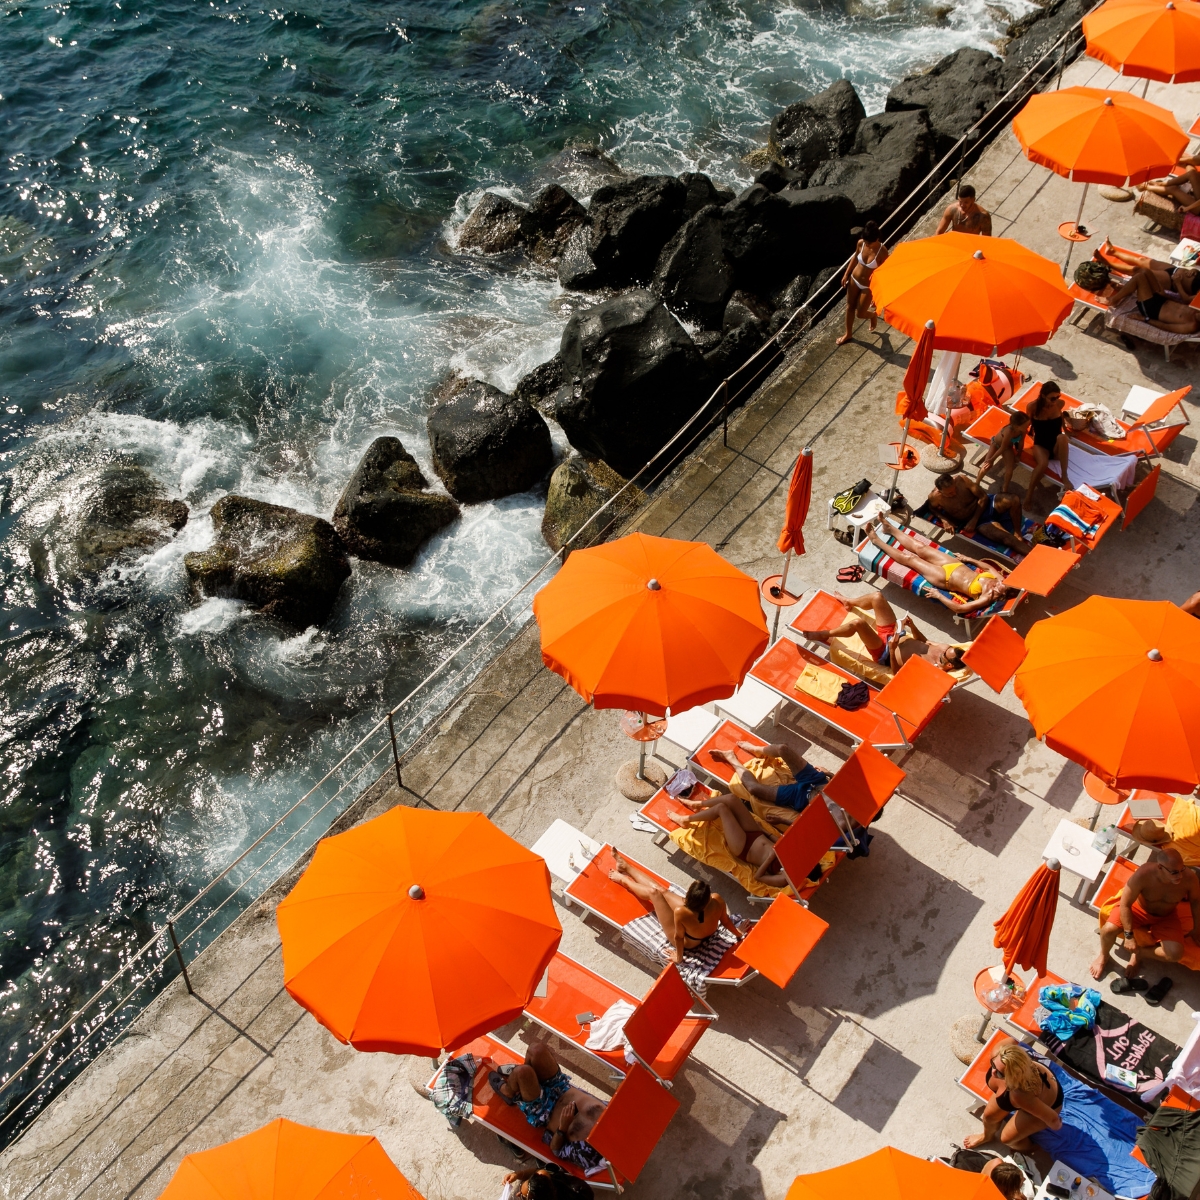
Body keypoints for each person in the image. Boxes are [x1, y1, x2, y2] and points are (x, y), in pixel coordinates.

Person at [1091, 846, 1200, 979]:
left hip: (1167, 916)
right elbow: (1125, 904)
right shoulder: (1144, 874)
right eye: (1174, 872)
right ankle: (1104, 955)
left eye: (1182, 869)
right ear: (1160, 867)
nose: (1180, 875)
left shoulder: (1189, 878)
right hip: (1138, 909)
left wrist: (1197, 928)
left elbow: (1195, 902)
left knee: (1174, 954)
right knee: (1108, 930)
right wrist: (1129, 936)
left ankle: (1140, 953)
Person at [796, 590, 966, 673]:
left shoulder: (932, 669)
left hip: (884, 651)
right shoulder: (945, 648)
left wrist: (892, 650)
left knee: (858, 623)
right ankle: (849, 601)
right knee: (877, 597)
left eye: (945, 654)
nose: (943, 650)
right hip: (897, 634)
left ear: (948, 665)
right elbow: (924, 641)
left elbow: (897, 673)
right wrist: (912, 626)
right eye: (946, 649)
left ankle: (825, 634)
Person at [606, 860, 746, 961]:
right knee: (663, 891)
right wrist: (738, 933)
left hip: (690, 942)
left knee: (655, 893)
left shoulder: (682, 912)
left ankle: (625, 881)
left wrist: (679, 958)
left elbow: (678, 938)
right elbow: (726, 921)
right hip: (702, 930)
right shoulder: (717, 899)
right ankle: (626, 867)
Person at [864, 517, 1009, 612]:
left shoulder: (987, 597)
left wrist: (939, 596)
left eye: (998, 587)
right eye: (999, 583)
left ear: (1000, 595)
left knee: (911, 559)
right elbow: (988, 567)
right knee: (921, 547)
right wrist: (969, 558)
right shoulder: (1000, 580)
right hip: (956, 564)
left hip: (944, 578)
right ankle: (890, 528)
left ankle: (876, 541)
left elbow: (961, 609)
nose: (996, 584)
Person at [491, 1043, 607, 1159]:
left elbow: (556, 1150)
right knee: (536, 1050)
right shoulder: (618, 1117)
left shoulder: (592, 1154)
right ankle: (523, 1080)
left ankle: (508, 1091)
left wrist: (563, 1127)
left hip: (543, 1109)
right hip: (561, 1086)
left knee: (522, 1072)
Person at [656, 798, 791, 888]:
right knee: (732, 799)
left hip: (744, 847)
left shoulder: (785, 878)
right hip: (758, 834)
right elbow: (781, 842)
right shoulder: (796, 856)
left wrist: (770, 858)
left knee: (721, 808)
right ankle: (698, 804)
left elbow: (759, 877)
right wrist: (764, 831)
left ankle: (685, 820)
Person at [963, 1036, 1063, 1150]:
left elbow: (1054, 1121)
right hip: (1017, 1091)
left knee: (1007, 1139)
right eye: (993, 1064)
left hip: (1046, 1104)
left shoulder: (1022, 1095)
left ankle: (1028, 1150)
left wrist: (1058, 1124)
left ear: (1013, 1076)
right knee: (989, 1117)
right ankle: (986, 1137)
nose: (993, 1072)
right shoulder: (1000, 1052)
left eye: (1001, 1073)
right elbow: (1012, 1040)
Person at [927, 472, 1030, 554]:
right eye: (949, 493)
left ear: (954, 481)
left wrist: (974, 520)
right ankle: (1038, 559)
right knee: (1008, 539)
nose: (954, 494)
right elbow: (932, 509)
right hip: (982, 522)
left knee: (1014, 499)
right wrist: (945, 520)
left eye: (955, 489)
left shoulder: (962, 480)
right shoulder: (935, 498)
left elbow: (983, 497)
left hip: (987, 505)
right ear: (939, 492)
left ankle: (1018, 532)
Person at [1096, 238, 1200, 302]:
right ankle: (1113, 251)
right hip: (1176, 270)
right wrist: (1195, 271)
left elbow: (1187, 300)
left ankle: (1108, 264)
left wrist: (1178, 284)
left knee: (1138, 271)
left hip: (1172, 281)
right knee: (1143, 260)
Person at [836, 220, 888, 346]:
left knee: (860, 313)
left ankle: (872, 316)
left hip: (867, 286)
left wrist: (877, 295)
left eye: (868, 242)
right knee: (849, 307)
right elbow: (855, 258)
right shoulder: (861, 243)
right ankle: (848, 334)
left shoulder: (882, 252)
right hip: (854, 279)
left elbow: (884, 273)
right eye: (864, 241)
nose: (866, 244)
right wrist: (846, 274)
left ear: (876, 239)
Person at [1109, 267, 1200, 336]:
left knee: (1139, 278)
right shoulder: (1197, 309)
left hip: (1152, 308)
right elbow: (1182, 303)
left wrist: (1145, 319)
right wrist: (1166, 296)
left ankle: (1113, 300)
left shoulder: (1191, 326)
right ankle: (1122, 288)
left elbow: (1166, 327)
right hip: (1164, 298)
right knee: (1144, 271)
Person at [1024, 383, 1073, 498]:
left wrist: (1066, 429)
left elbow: (1060, 416)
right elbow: (1026, 423)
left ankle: (1064, 476)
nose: (1055, 400)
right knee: (1042, 464)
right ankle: (1029, 495)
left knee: (1062, 437)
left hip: (1056, 445)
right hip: (1041, 444)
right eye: (1052, 398)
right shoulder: (1032, 407)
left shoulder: (1060, 404)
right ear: (1042, 396)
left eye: (1057, 397)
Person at [973, 411, 1030, 495]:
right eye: (1026, 425)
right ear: (1017, 426)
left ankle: (1004, 489)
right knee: (987, 465)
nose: (1028, 426)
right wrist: (991, 460)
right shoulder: (1008, 432)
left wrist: (1018, 454)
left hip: (1007, 447)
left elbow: (1021, 443)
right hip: (996, 444)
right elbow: (1002, 447)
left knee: (1010, 470)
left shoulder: (1023, 431)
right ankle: (976, 484)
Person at [503, 1164, 593, 1199]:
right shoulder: (546, 1176)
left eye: (523, 1197)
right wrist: (517, 1175)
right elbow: (540, 1171)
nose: (517, 1194)